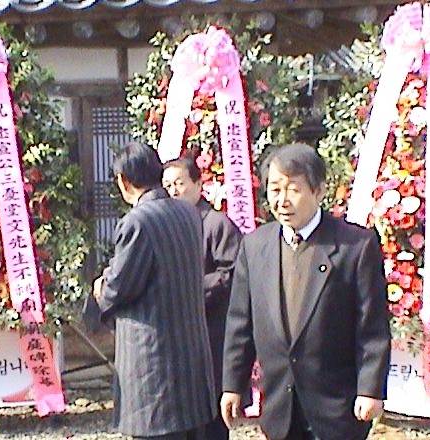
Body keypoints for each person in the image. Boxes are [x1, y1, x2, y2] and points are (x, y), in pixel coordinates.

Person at [220, 143, 390, 440]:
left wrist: (370, 389)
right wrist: (233, 385)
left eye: (293, 189)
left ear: (319, 191)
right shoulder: (255, 246)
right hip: (279, 404)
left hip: (337, 405)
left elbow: (372, 326)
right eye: (275, 189)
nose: (282, 200)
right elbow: (240, 325)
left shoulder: (355, 246)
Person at [93, 142, 215, 440]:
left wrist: (102, 289)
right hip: (191, 359)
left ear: (123, 181)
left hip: (153, 367)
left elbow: (120, 287)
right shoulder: (188, 212)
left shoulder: (137, 222)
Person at [162, 156, 241, 440]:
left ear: (198, 184)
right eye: (167, 186)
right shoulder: (166, 227)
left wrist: (190, 290)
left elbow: (233, 274)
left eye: (179, 183)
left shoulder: (217, 224)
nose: (173, 191)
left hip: (211, 334)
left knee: (210, 421)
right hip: (177, 339)